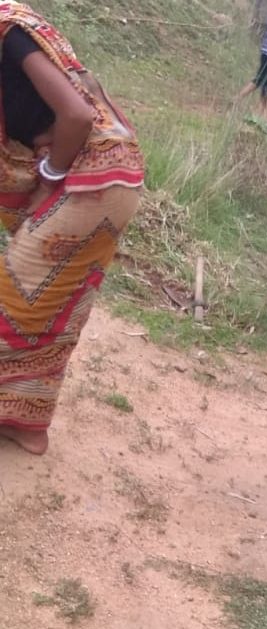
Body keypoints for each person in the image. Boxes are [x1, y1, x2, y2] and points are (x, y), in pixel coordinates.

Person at [0, 3, 145, 455]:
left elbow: (77, 116)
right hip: (109, 179)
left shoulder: (10, 33)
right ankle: (25, 422)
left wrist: (50, 177)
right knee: (47, 306)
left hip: (90, 180)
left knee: (12, 301)